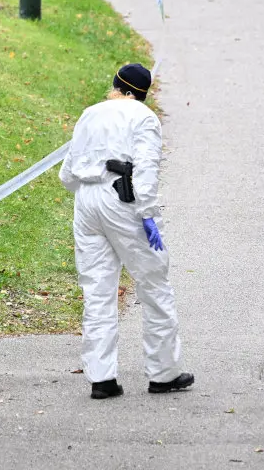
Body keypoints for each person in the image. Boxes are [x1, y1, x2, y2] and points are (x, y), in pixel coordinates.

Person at [59, 63, 194, 399]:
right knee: (153, 284)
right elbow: (146, 168)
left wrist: (89, 193)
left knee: (98, 290)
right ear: (143, 93)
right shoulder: (144, 118)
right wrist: (147, 213)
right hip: (124, 200)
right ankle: (164, 373)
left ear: (116, 86)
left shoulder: (90, 113)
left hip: (86, 202)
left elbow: (67, 173)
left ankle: (101, 378)